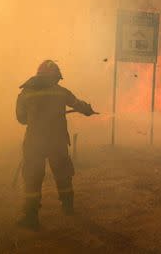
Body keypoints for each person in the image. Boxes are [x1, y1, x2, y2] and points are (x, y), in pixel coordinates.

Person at [15, 60, 96, 229]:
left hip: (34, 142)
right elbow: (78, 105)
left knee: (32, 179)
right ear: (54, 77)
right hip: (56, 141)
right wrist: (88, 109)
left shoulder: (26, 92)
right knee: (63, 174)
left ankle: (31, 217)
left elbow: (21, 119)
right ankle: (68, 207)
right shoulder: (61, 92)